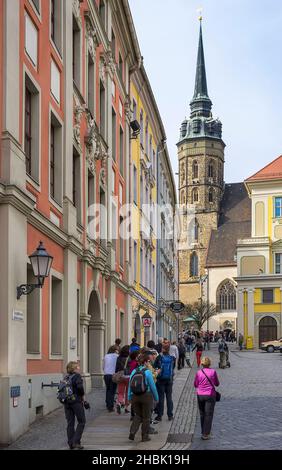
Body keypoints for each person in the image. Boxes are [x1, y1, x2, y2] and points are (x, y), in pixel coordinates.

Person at [128, 353, 159, 442]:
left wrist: (129, 397)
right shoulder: (147, 372)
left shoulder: (134, 371)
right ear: (145, 362)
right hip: (146, 396)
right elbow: (153, 386)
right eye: (148, 361)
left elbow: (130, 385)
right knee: (146, 417)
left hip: (135, 397)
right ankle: (144, 436)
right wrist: (156, 398)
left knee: (138, 415)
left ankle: (132, 432)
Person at [194, 356, 220, 440]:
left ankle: (203, 431)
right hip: (210, 395)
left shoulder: (198, 372)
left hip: (200, 394)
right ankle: (206, 433)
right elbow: (217, 383)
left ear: (202, 364)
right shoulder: (213, 372)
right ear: (209, 363)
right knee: (208, 414)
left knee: (202, 414)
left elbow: (195, 384)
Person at [63, 361, 86, 450]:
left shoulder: (66, 377)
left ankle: (70, 443)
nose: (79, 368)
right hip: (76, 401)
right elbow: (80, 387)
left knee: (70, 423)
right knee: (82, 421)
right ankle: (76, 442)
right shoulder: (77, 376)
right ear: (74, 368)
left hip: (67, 402)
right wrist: (83, 396)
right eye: (77, 367)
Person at [154, 342, 175, 422]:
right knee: (169, 398)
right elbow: (173, 368)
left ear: (163, 349)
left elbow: (154, 366)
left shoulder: (159, 357)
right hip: (169, 380)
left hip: (160, 379)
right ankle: (170, 415)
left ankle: (160, 415)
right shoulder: (172, 358)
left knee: (161, 397)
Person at [103, 345, 119, 412]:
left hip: (106, 374)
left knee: (108, 389)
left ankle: (107, 403)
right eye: (117, 350)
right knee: (112, 391)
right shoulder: (117, 356)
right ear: (115, 350)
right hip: (113, 374)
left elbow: (103, 366)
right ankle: (111, 406)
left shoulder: (106, 356)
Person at [115, 345, 130, 414]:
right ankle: (126, 408)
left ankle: (119, 402)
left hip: (121, 376)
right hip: (128, 376)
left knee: (120, 392)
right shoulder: (129, 358)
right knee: (127, 392)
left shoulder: (119, 358)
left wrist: (116, 374)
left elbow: (116, 367)